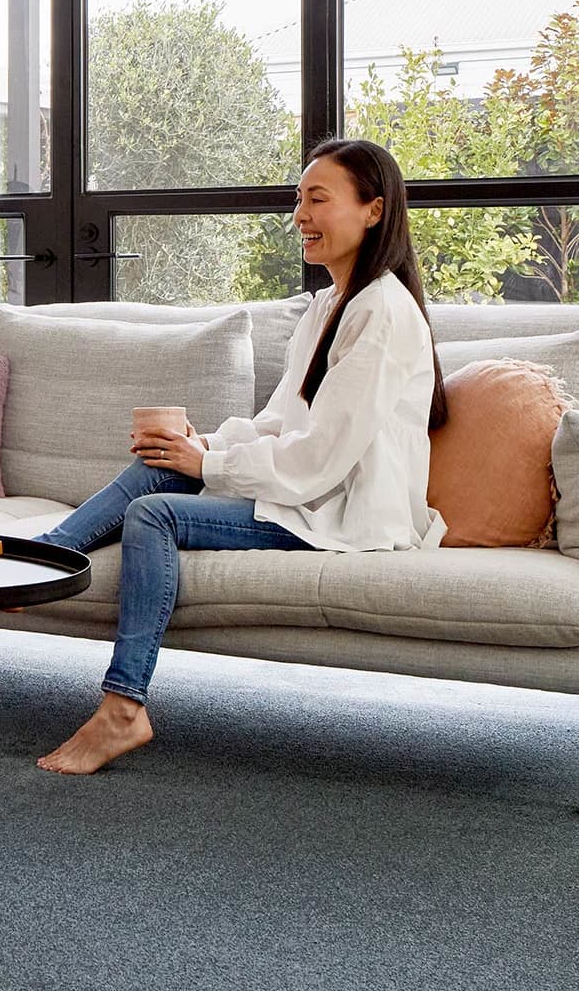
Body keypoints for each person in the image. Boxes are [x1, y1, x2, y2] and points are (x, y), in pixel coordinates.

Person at [34, 137, 450, 775]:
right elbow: (280, 421)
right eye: (297, 200)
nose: (300, 216)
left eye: (318, 199)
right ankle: (44, 556)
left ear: (373, 210)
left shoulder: (384, 313)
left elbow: (319, 460)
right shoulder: (329, 306)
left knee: (155, 515)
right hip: (304, 493)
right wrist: (204, 448)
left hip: (340, 516)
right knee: (164, 462)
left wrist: (210, 467)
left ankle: (123, 708)